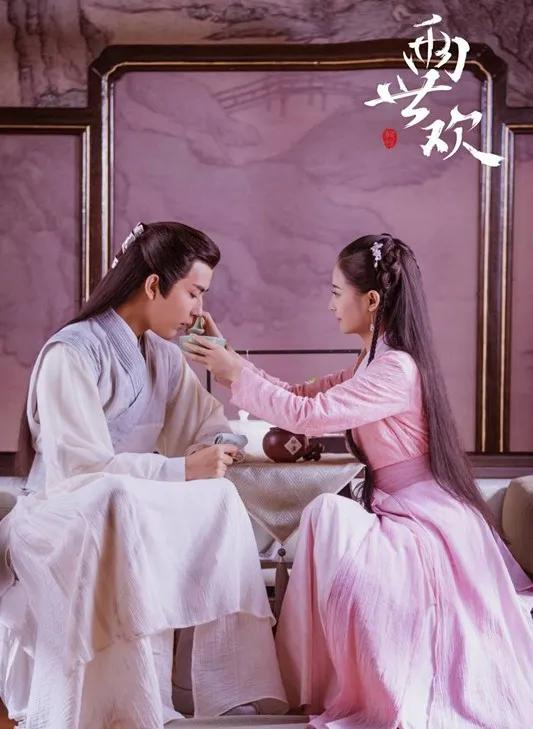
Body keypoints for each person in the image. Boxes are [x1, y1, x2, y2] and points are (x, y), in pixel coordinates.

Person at [185, 233, 533, 729]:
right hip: (396, 506)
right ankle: (306, 686)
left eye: (335, 292)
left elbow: (308, 415)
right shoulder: (371, 363)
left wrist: (236, 371)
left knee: (327, 515)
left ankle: (336, 685)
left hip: (419, 517)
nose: (330, 305)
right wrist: (230, 360)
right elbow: (300, 396)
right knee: (326, 516)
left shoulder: (395, 370)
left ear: (370, 300)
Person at [0, 221, 287, 728]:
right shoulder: (72, 352)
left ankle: (224, 691)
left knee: (216, 497)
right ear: (154, 285)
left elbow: (211, 426)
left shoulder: (163, 358)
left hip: (122, 512)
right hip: (59, 518)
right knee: (117, 499)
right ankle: (110, 708)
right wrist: (181, 468)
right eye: (194, 293)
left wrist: (214, 445)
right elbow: (80, 470)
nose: (199, 309)